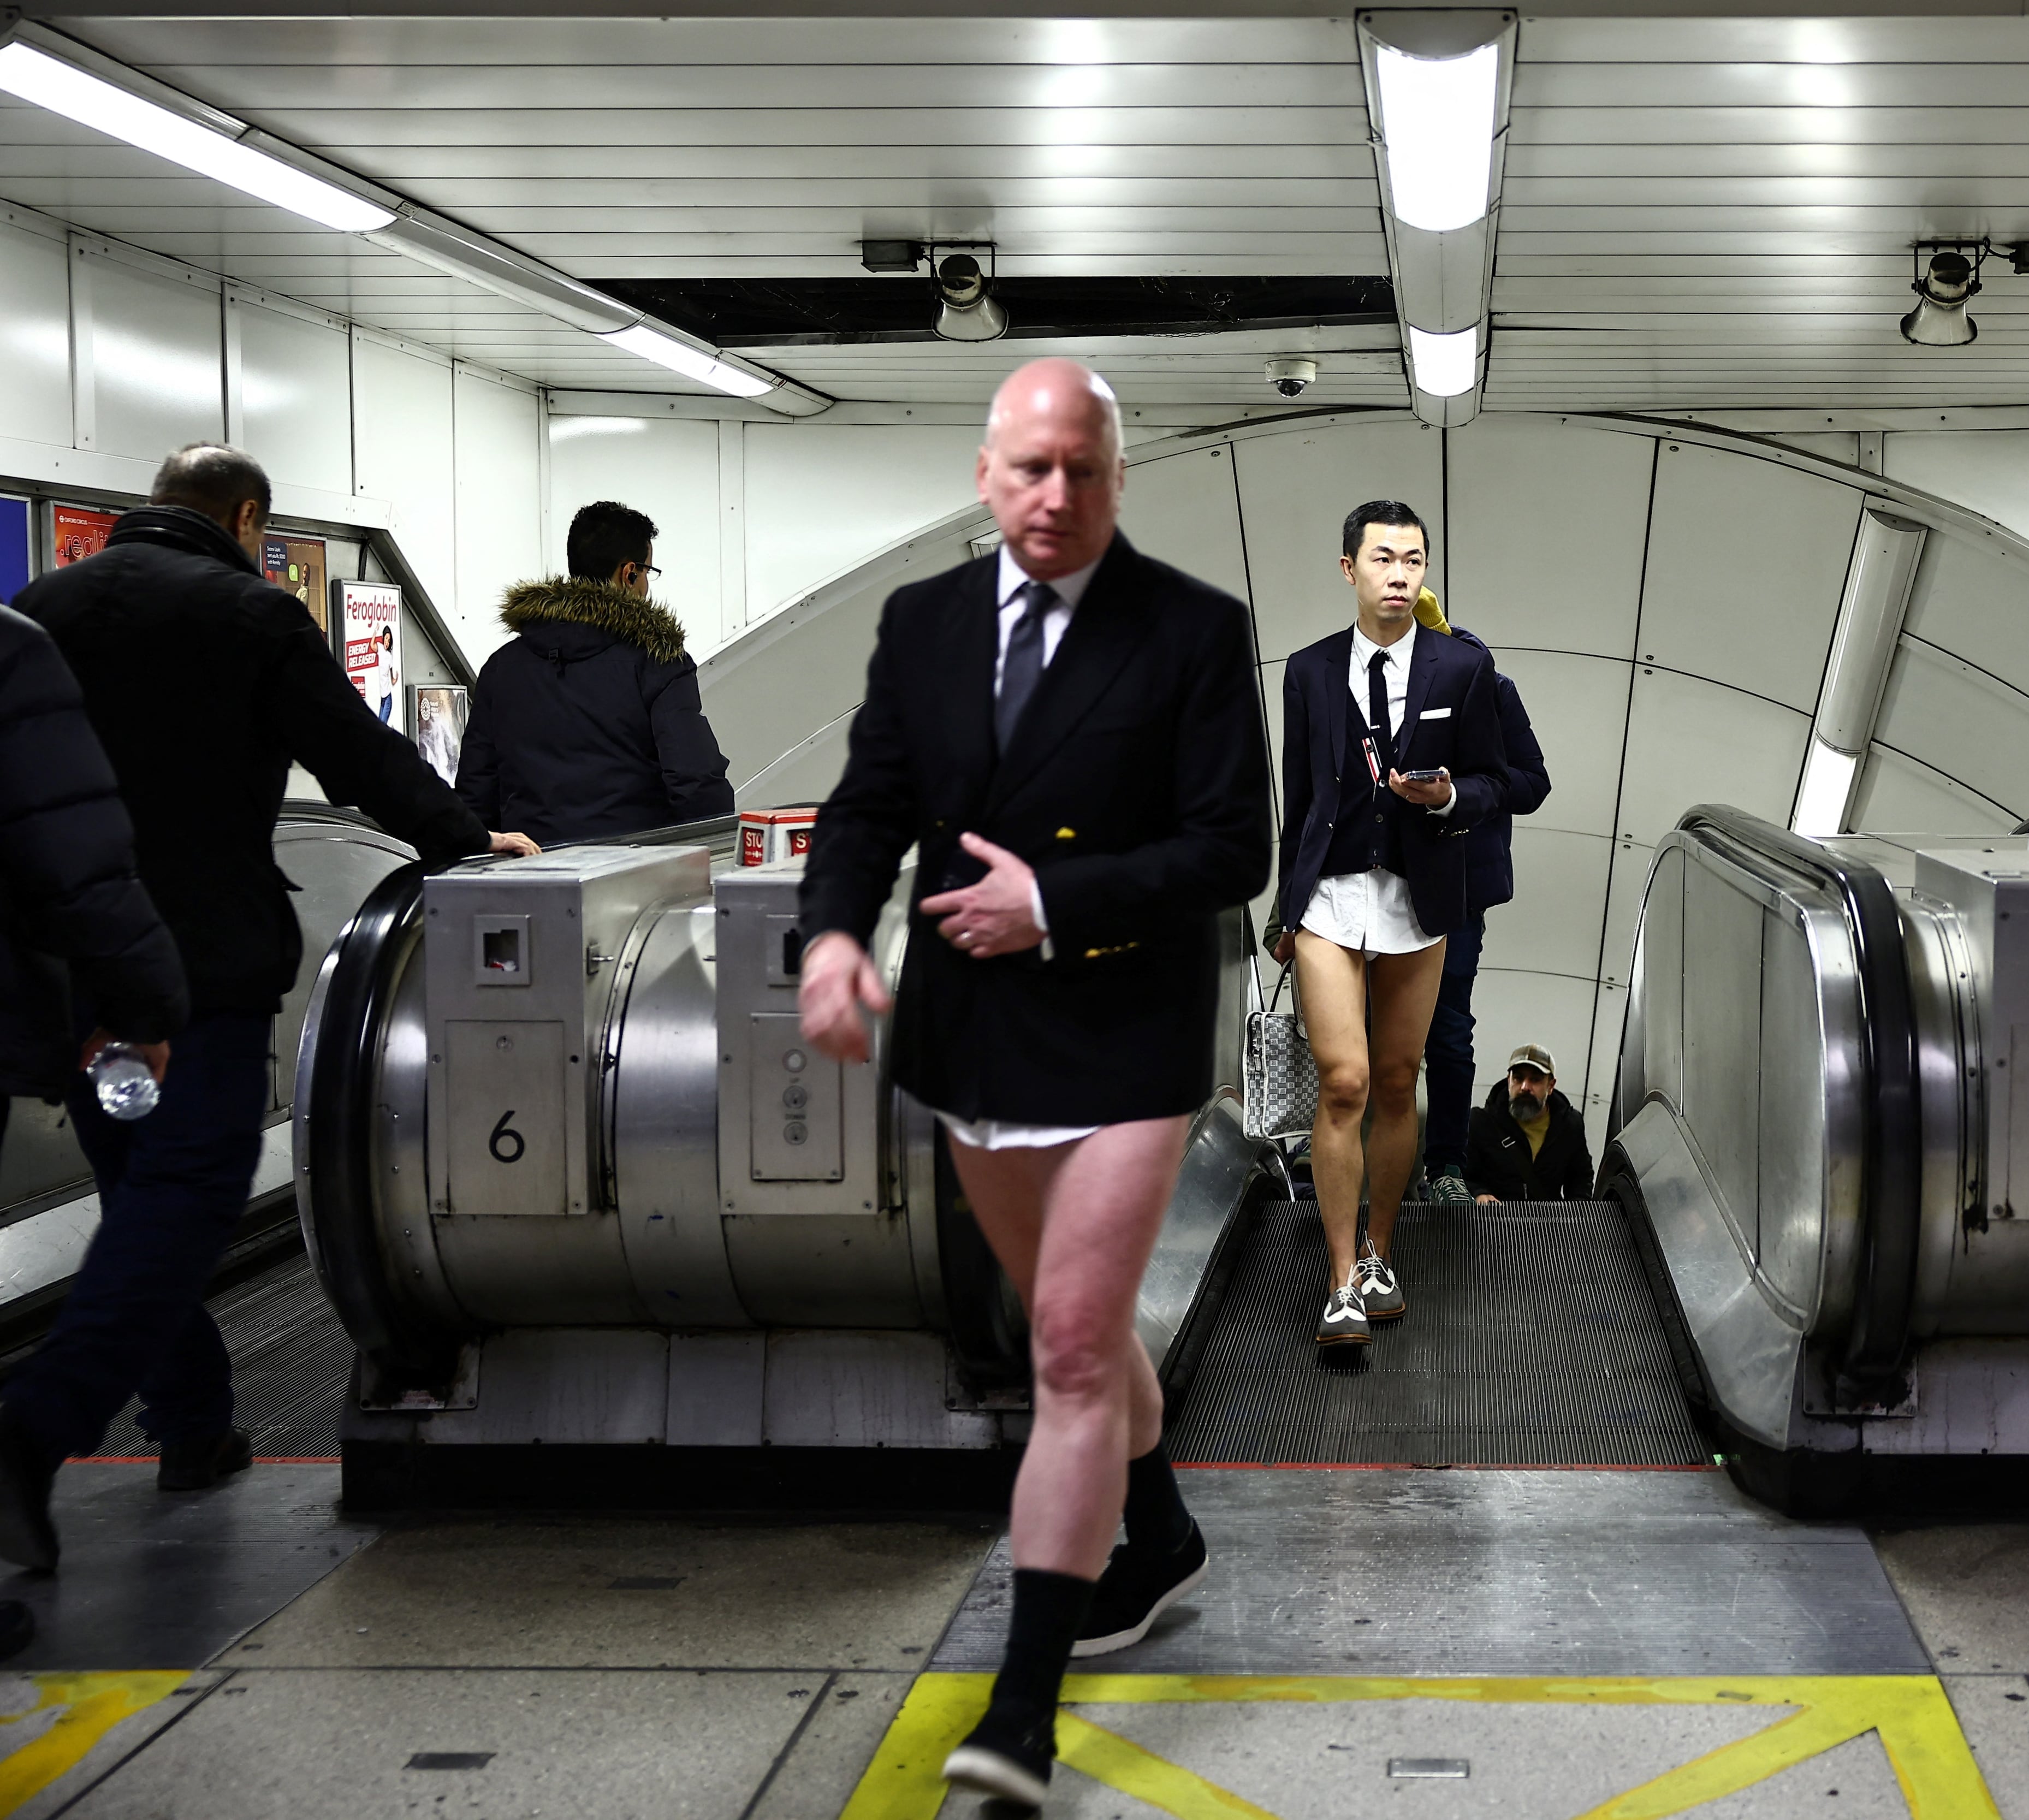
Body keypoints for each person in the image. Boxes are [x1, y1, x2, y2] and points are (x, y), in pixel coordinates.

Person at [796, 359, 1268, 1808]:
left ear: (1118, 478)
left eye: (1083, 467)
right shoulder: (923, 624)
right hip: (971, 1034)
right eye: (1029, 467)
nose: (1053, 493)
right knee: (1079, 1319)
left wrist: (1054, 900)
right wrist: (827, 934)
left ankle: (1021, 1709)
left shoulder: (1193, 632)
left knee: (1065, 1352)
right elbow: (874, 800)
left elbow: (1230, 849)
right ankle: (1163, 1534)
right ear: (985, 472)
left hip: (1125, 1027)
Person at [0, 444, 536, 1574]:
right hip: (201, 974)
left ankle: (192, 1423)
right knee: (186, 1198)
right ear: (247, 519)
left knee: (136, 1195)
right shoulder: (247, 615)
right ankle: (31, 1432)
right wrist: (465, 840)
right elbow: (356, 756)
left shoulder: (42, 605)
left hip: (76, 979)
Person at [1268, 502, 1509, 1349]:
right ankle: (1338, 1282)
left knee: (1400, 1080)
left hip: (1420, 899)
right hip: (1331, 900)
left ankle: (1379, 1253)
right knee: (1346, 1082)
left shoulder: (1462, 668)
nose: (1399, 575)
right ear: (1350, 570)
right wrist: (1283, 907)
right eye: (1382, 560)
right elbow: (1300, 800)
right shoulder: (1308, 670)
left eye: (1413, 560)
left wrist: (1447, 795)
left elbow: (1500, 780)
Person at [0, 604, 191, 1661]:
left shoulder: (42, 621)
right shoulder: (8, 649)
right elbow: (75, 856)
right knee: (170, 1193)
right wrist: (146, 1002)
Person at [454, 500, 735, 845]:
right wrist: (716, 849)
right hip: (633, 874)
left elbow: (477, 785)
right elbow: (695, 779)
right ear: (629, 573)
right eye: (648, 571)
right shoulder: (657, 662)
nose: (647, 584)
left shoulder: (501, 667)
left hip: (529, 872)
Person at [1409, 587, 1550, 1205]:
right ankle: (1332, 1153)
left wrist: (1455, 794)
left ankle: (1444, 1167)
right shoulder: (1366, 691)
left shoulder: (1491, 689)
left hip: (1458, 889)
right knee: (1355, 1028)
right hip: (1378, 881)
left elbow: (1530, 782)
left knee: (1446, 1030)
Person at [1466, 1044, 1594, 1204]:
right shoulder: (1480, 1122)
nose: (1525, 1087)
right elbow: (1464, 1175)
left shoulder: (1570, 1125)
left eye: (1535, 1080)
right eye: (1518, 1078)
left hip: (1548, 1223)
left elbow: (1580, 1178)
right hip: (1493, 1222)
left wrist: (1576, 1212)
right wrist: (1479, 1194)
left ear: (1551, 1086)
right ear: (1509, 1081)